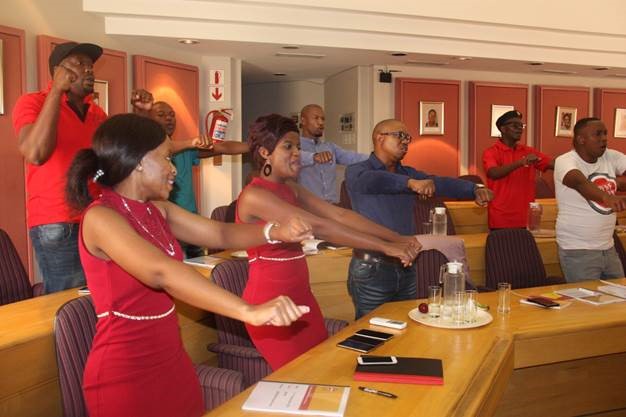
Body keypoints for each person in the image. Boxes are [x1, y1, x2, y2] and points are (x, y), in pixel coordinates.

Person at [65, 113, 312, 417]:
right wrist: (248, 310)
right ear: (139, 161)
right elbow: (161, 271)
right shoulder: (100, 216)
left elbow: (220, 233)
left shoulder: (157, 209)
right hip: (125, 373)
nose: (173, 169)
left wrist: (274, 231)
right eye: (166, 158)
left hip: (172, 361)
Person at [236, 114, 420, 370]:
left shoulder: (291, 188)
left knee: (322, 371)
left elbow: (340, 215)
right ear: (265, 152)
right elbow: (320, 227)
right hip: (270, 304)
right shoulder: (255, 195)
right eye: (288, 146)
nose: (297, 153)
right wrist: (384, 247)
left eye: (297, 146)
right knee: (298, 378)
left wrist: (397, 238)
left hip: (302, 297)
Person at [11, 41, 152, 294]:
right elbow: (35, 153)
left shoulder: (96, 113)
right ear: (57, 71)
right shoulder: (32, 102)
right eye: (79, 63)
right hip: (58, 222)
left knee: (102, 293)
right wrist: (56, 92)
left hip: (97, 217)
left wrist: (142, 116)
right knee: (70, 301)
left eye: (90, 65)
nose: (89, 69)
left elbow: (124, 156)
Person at [346, 118, 493, 319]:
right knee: (371, 329)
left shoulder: (408, 173)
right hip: (372, 268)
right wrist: (409, 183)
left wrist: (474, 188)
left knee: (406, 327)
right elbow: (375, 180)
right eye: (400, 136)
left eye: (408, 137)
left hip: (406, 265)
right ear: (380, 138)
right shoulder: (357, 171)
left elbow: (439, 183)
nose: (406, 142)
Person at [149, 101, 249, 257]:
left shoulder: (186, 150)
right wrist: (190, 142)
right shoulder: (146, 152)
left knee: (200, 265)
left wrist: (257, 147)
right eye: (161, 115)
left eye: (172, 115)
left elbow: (224, 147)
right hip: (165, 226)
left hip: (191, 223)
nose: (168, 118)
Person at [554, 117, 626, 282]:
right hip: (578, 249)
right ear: (581, 139)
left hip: (608, 246)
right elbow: (580, 183)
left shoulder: (610, 156)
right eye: (598, 134)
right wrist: (607, 197)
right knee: (587, 298)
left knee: (619, 296)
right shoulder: (565, 161)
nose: (604, 138)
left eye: (605, 134)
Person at [482, 110, 554, 230]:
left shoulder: (528, 151)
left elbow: (553, 164)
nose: (520, 129)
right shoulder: (491, 152)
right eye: (515, 125)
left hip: (525, 219)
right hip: (501, 218)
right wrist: (521, 162)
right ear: (503, 129)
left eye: (521, 126)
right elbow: (493, 173)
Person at [298, 104, 368, 203]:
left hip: (331, 205)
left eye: (323, 119)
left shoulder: (330, 147)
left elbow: (352, 157)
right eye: (316, 118)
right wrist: (313, 157)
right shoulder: (295, 146)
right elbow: (295, 156)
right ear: (303, 120)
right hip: (306, 207)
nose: (321, 122)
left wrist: (379, 159)